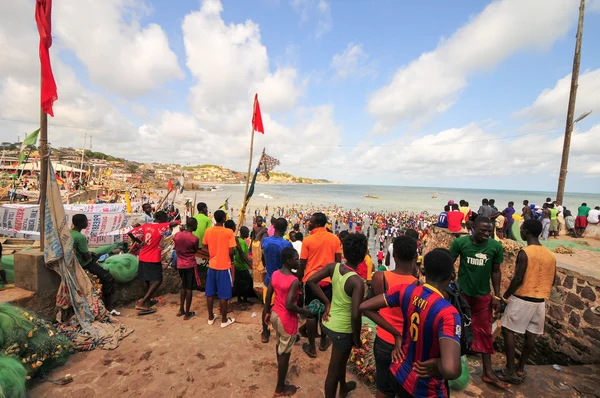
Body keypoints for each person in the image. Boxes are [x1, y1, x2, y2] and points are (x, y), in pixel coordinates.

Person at [360, 249, 462, 398]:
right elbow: (452, 370)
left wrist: (396, 334)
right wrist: (439, 365)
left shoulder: (406, 291)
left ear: (423, 271)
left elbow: (364, 307)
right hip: (425, 389)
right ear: (452, 275)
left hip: (400, 375)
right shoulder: (448, 313)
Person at [495, 219, 556, 385]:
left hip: (522, 298)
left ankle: (509, 370)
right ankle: (521, 367)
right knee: (531, 334)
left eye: (522, 229)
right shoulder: (550, 255)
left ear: (527, 231)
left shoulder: (525, 252)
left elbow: (517, 278)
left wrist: (505, 296)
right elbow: (553, 280)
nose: (520, 231)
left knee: (508, 331)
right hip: (540, 301)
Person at [450, 216, 508, 390]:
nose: (486, 234)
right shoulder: (460, 244)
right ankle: (452, 369)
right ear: (472, 227)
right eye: (482, 230)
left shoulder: (495, 247)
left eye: (489, 231)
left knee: (484, 333)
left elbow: (496, 272)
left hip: (483, 297)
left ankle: (488, 372)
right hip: (462, 296)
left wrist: (497, 296)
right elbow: (448, 263)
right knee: (455, 330)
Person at [307, 233, 366, 398]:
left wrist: (327, 302)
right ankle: (340, 389)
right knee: (333, 371)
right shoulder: (357, 282)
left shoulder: (334, 267)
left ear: (344, 253)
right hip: (343, 330)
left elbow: (311, 280)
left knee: (340, 361)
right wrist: (356, 337)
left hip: (328, 323)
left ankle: (344, 387)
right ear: (362, 257)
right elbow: (355, 315)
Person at [370, 236, 418, 398]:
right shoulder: (418, 286)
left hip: (384, 338)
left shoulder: (379, 277)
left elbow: (372, 306)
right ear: (414, 257)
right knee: (405, 385)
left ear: (394, 255)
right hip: (406, 343)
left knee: (383, 386)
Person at [265, 247, 314, 397]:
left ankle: (281, 373)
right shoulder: (293, 280)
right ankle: (280, 387)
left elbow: (268, 296)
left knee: (279, 345)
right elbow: (290, 305)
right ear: (288, 261)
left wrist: (267, 311)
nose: (299, 261)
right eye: (296, 259)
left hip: (275, 314)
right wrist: (306, 312)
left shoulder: (275, 274)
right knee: (285, 352)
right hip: (287, 319)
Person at [299, 212, 342, 358]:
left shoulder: (308, 240)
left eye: (310, 221)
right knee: (326, 311)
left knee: (311, 315)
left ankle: (312, 347)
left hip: (311, 282)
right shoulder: (335, 239)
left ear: (316, 224)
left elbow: (302, 264)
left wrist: (299, 280)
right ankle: (323, 342)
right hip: (329, 281)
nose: (308, 223)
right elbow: (338, 263)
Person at [71, 214, 117, 314]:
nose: (87, 223)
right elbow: (86, 257)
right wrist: (90, 255)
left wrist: (89, 253)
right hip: (84, 263)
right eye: (86, 221)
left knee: (99, 254)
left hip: (76, 261)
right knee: (108, 277)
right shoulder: (80, 237)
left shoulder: (70, 233)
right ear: (82, 223)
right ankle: (109, 306)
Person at [129, 211, 173, 313]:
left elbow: (130, 232)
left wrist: (140, 242)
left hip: (143, 255)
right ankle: (142, 303)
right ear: (163, 220)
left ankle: (147, 301)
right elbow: (173, 224)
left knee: (146, 279)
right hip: (153, 257)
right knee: (158, 280)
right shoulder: (160, 227)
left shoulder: (146, 226)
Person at [202, 210, 236, 328]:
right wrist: (230, 260)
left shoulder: (208, 231)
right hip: (224, 266)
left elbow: (204, 247)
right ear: (223, 219)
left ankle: (210, 317)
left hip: (212, 265)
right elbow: (231, 251)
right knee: (224, 295)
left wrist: (213, 254)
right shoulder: (229, 232)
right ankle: (224, 320)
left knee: (210, 293)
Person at [261, 218, 293, 343]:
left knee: (266, 306)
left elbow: (264, 258)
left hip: (269, 278)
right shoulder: (286, 244)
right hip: (282, 279)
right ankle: (283, 331)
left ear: (273, 227)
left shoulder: (266, 241)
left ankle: (265, 331)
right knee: (284, 308)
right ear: (285, 229)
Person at [173, 217, 200, 320]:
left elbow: (175, 243)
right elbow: (195, 250)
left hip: (180, 263)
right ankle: (187, 313)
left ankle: (181, 309)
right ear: (193, 226)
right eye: (196, 225)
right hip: (189, 264)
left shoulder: (177, 235)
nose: (197, 226)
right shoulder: (194, 239)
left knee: (183, 286)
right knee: (189, 288)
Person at [226, 222, 252, 303]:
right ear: (244, 233)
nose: (248, 234)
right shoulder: (243, 243)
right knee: (246, 283)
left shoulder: (236, 240)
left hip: (237, 266)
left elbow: (233, 252)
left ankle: (238, 298)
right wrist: (250, 264)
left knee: (237, 283)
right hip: (243, 266)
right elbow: (243, 255)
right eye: (247, 233)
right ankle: (245, 298)